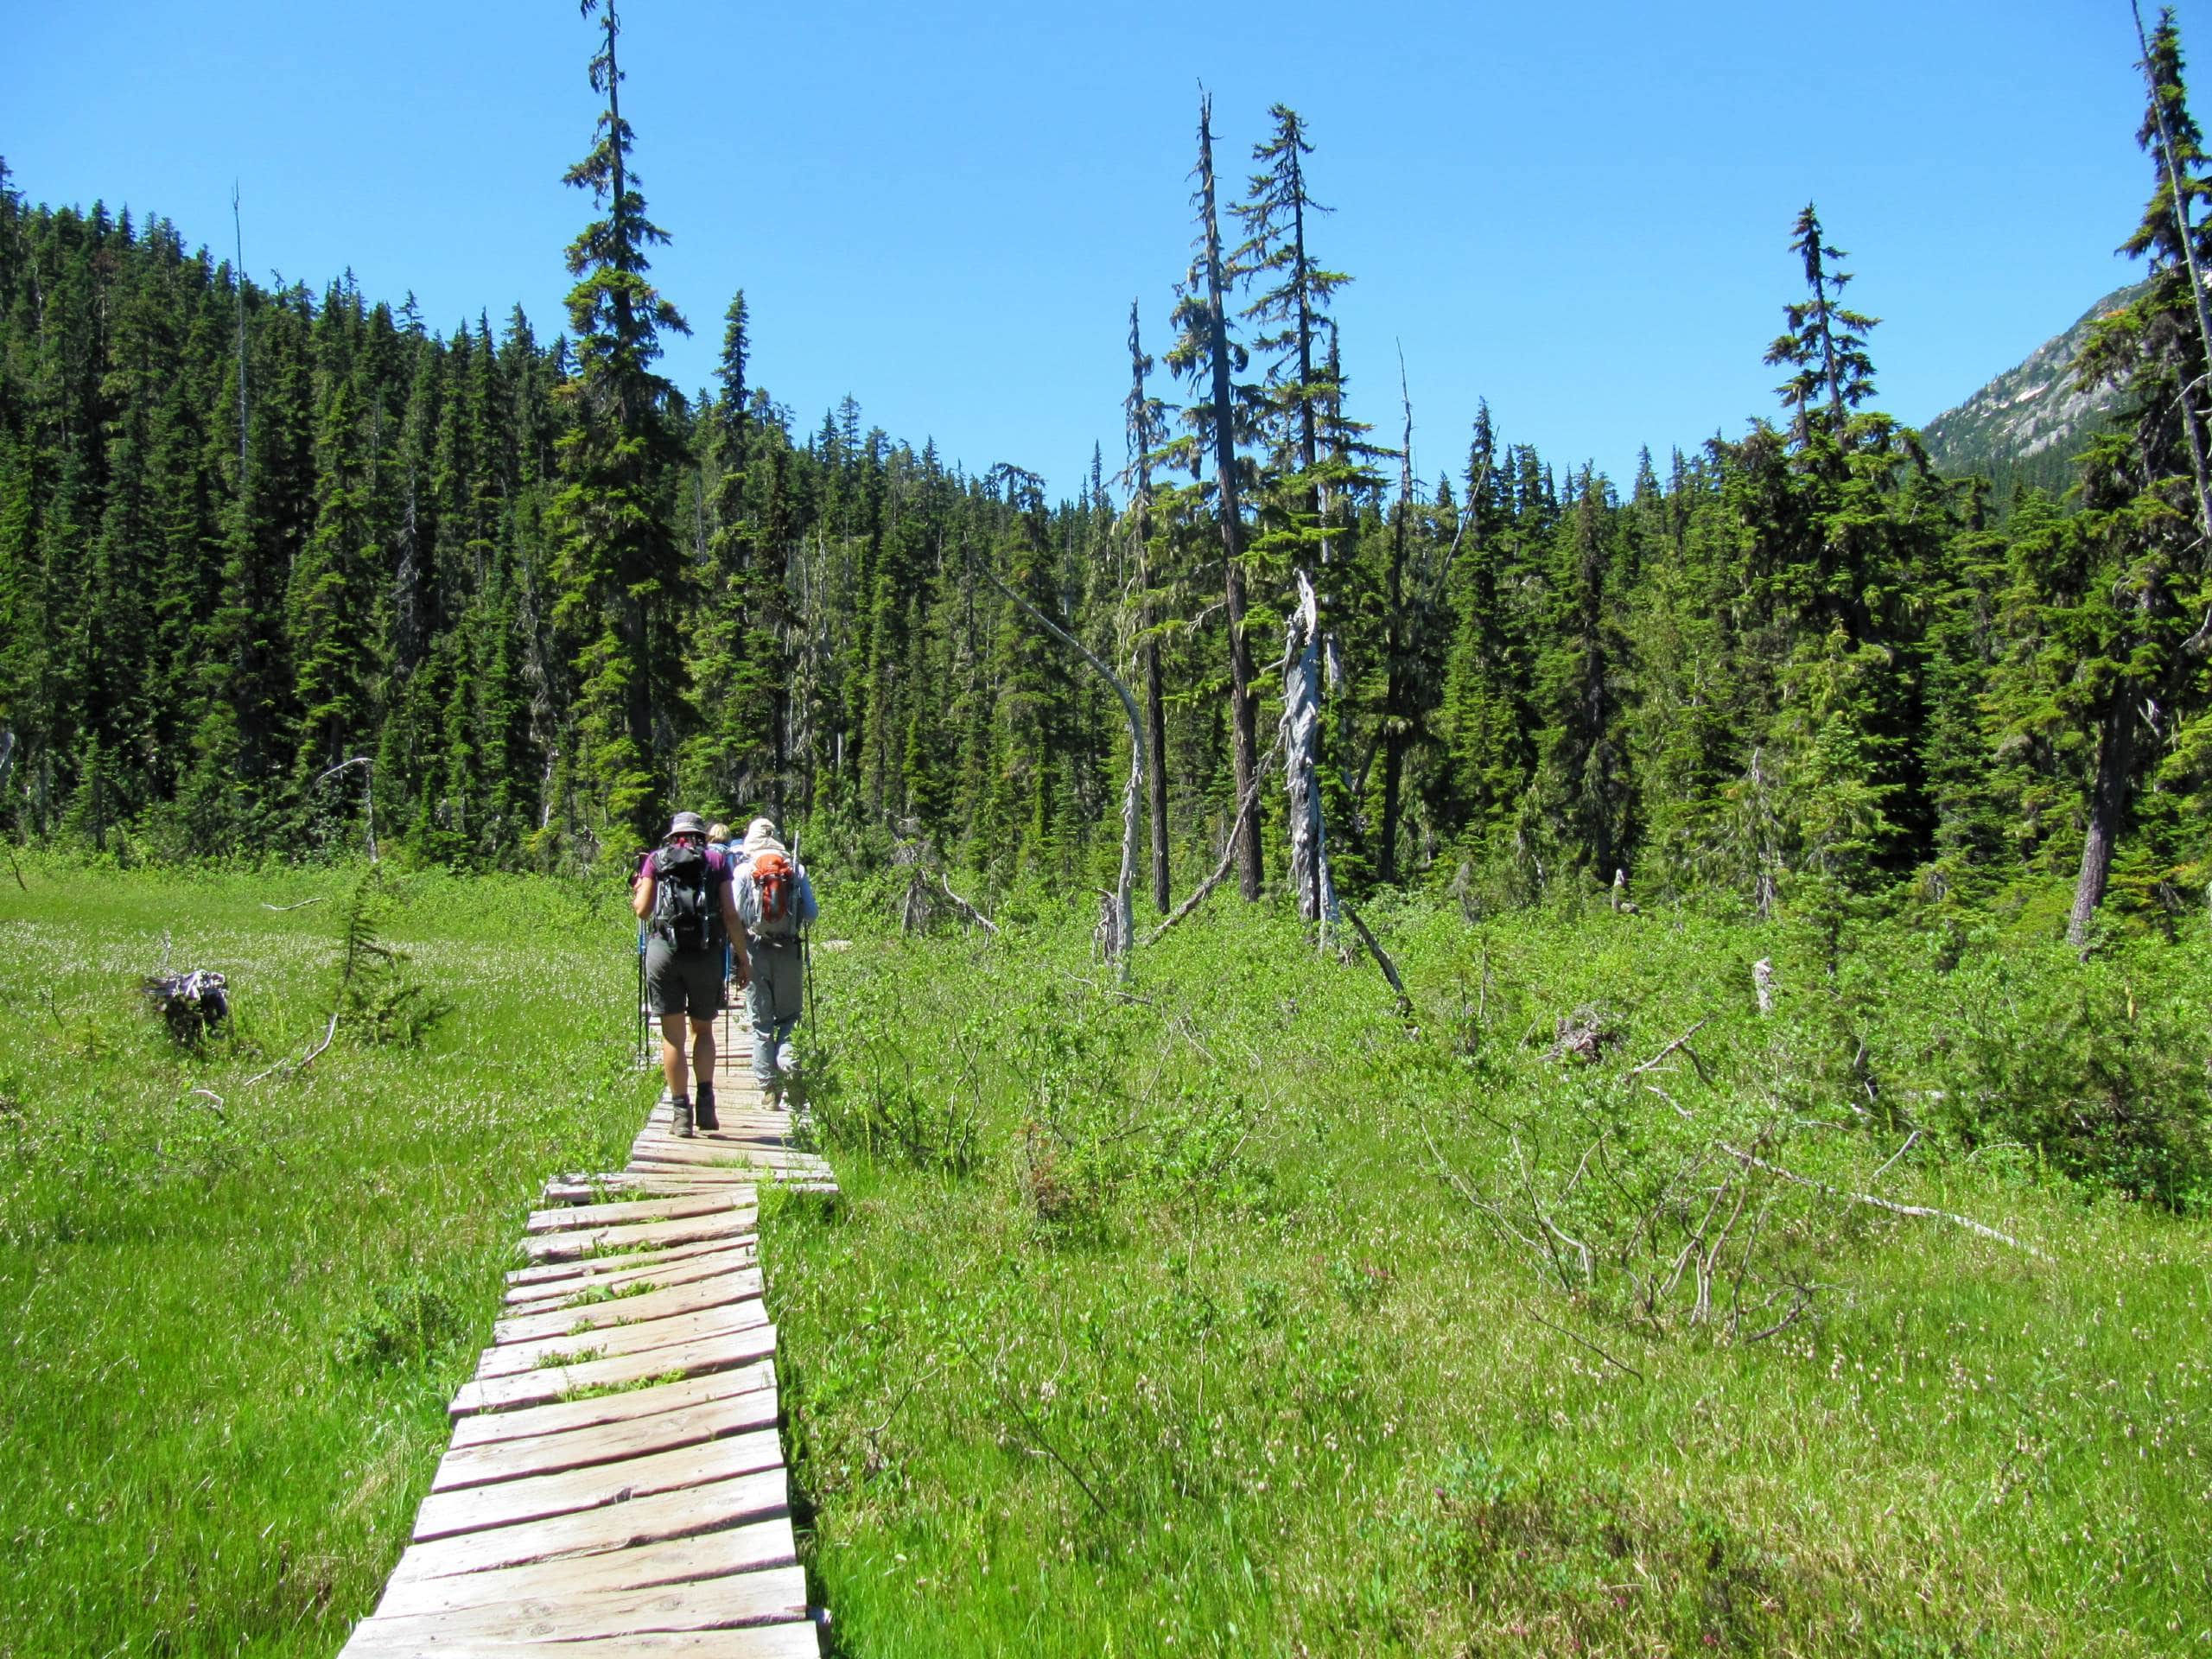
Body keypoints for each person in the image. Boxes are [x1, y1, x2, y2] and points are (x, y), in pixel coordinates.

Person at [632, 811, 750, 1137]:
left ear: (674, 835)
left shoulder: (656, 860)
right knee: (703, 1030)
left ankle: (681, 1114)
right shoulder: (715, 860)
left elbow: (642, 910)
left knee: (673, 1037)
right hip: (705, 953)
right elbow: (729, 913)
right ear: (701, 835)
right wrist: (742, 958)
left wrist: (640, 886)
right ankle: (707, 1105)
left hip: (664, 952)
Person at [729, 816, 817, 1104]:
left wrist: (739, 957)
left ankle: (769, 1090)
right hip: (789, 952)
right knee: (790, 1018)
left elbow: (737, 915)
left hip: (756, 950)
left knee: (761, 1024)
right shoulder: (796, 869)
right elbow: (812, 914)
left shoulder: (744, 871)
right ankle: (790, 1070)